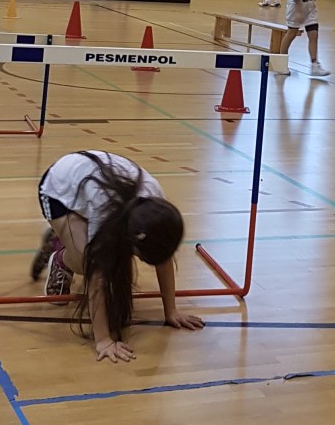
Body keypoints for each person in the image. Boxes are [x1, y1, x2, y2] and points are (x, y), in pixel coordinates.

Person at [30, 150, 204, 362]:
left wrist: (171, 311)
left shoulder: (155, 205)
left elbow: (164, 257)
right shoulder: (105, 210)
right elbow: (96, 275)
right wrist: (103, 340)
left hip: (87, 186)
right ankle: (61, 257)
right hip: (58, 190)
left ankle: (67, 235)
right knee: (85, 260)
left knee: (105, 253)